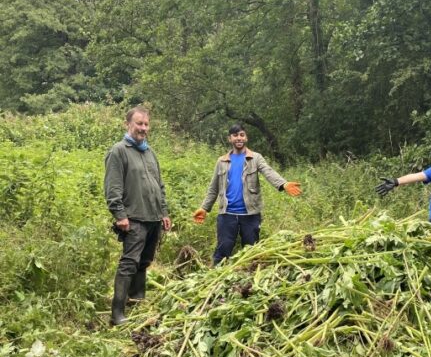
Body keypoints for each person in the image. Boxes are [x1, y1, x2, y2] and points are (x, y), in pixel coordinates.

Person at [192, 123, 301, 264]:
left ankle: (248, 281)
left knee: (251, 252)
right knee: (223, 250)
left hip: (250, 214)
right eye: (235, 135)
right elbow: (214, 188)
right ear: (229, 139)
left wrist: (283, 184)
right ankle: (216, 279)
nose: (239, 138)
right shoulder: (222, 161)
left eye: (242, 135)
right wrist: (204, 208)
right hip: (227, 214)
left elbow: (268, 172)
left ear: (246, 138)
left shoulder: (255, 158)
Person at [104, 106, 172, 325]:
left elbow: (159, 185)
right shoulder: (119, 151)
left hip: (153, 217)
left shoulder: (149, 152)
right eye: (139, 123)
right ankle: (117, 314)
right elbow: (112, 187)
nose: (143, 128)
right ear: (128, 124)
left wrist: (164, 212)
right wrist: (119, 214)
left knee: (144, 261)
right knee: (129, 263)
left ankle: (137, 300)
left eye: (146, 124)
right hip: (133, 218)